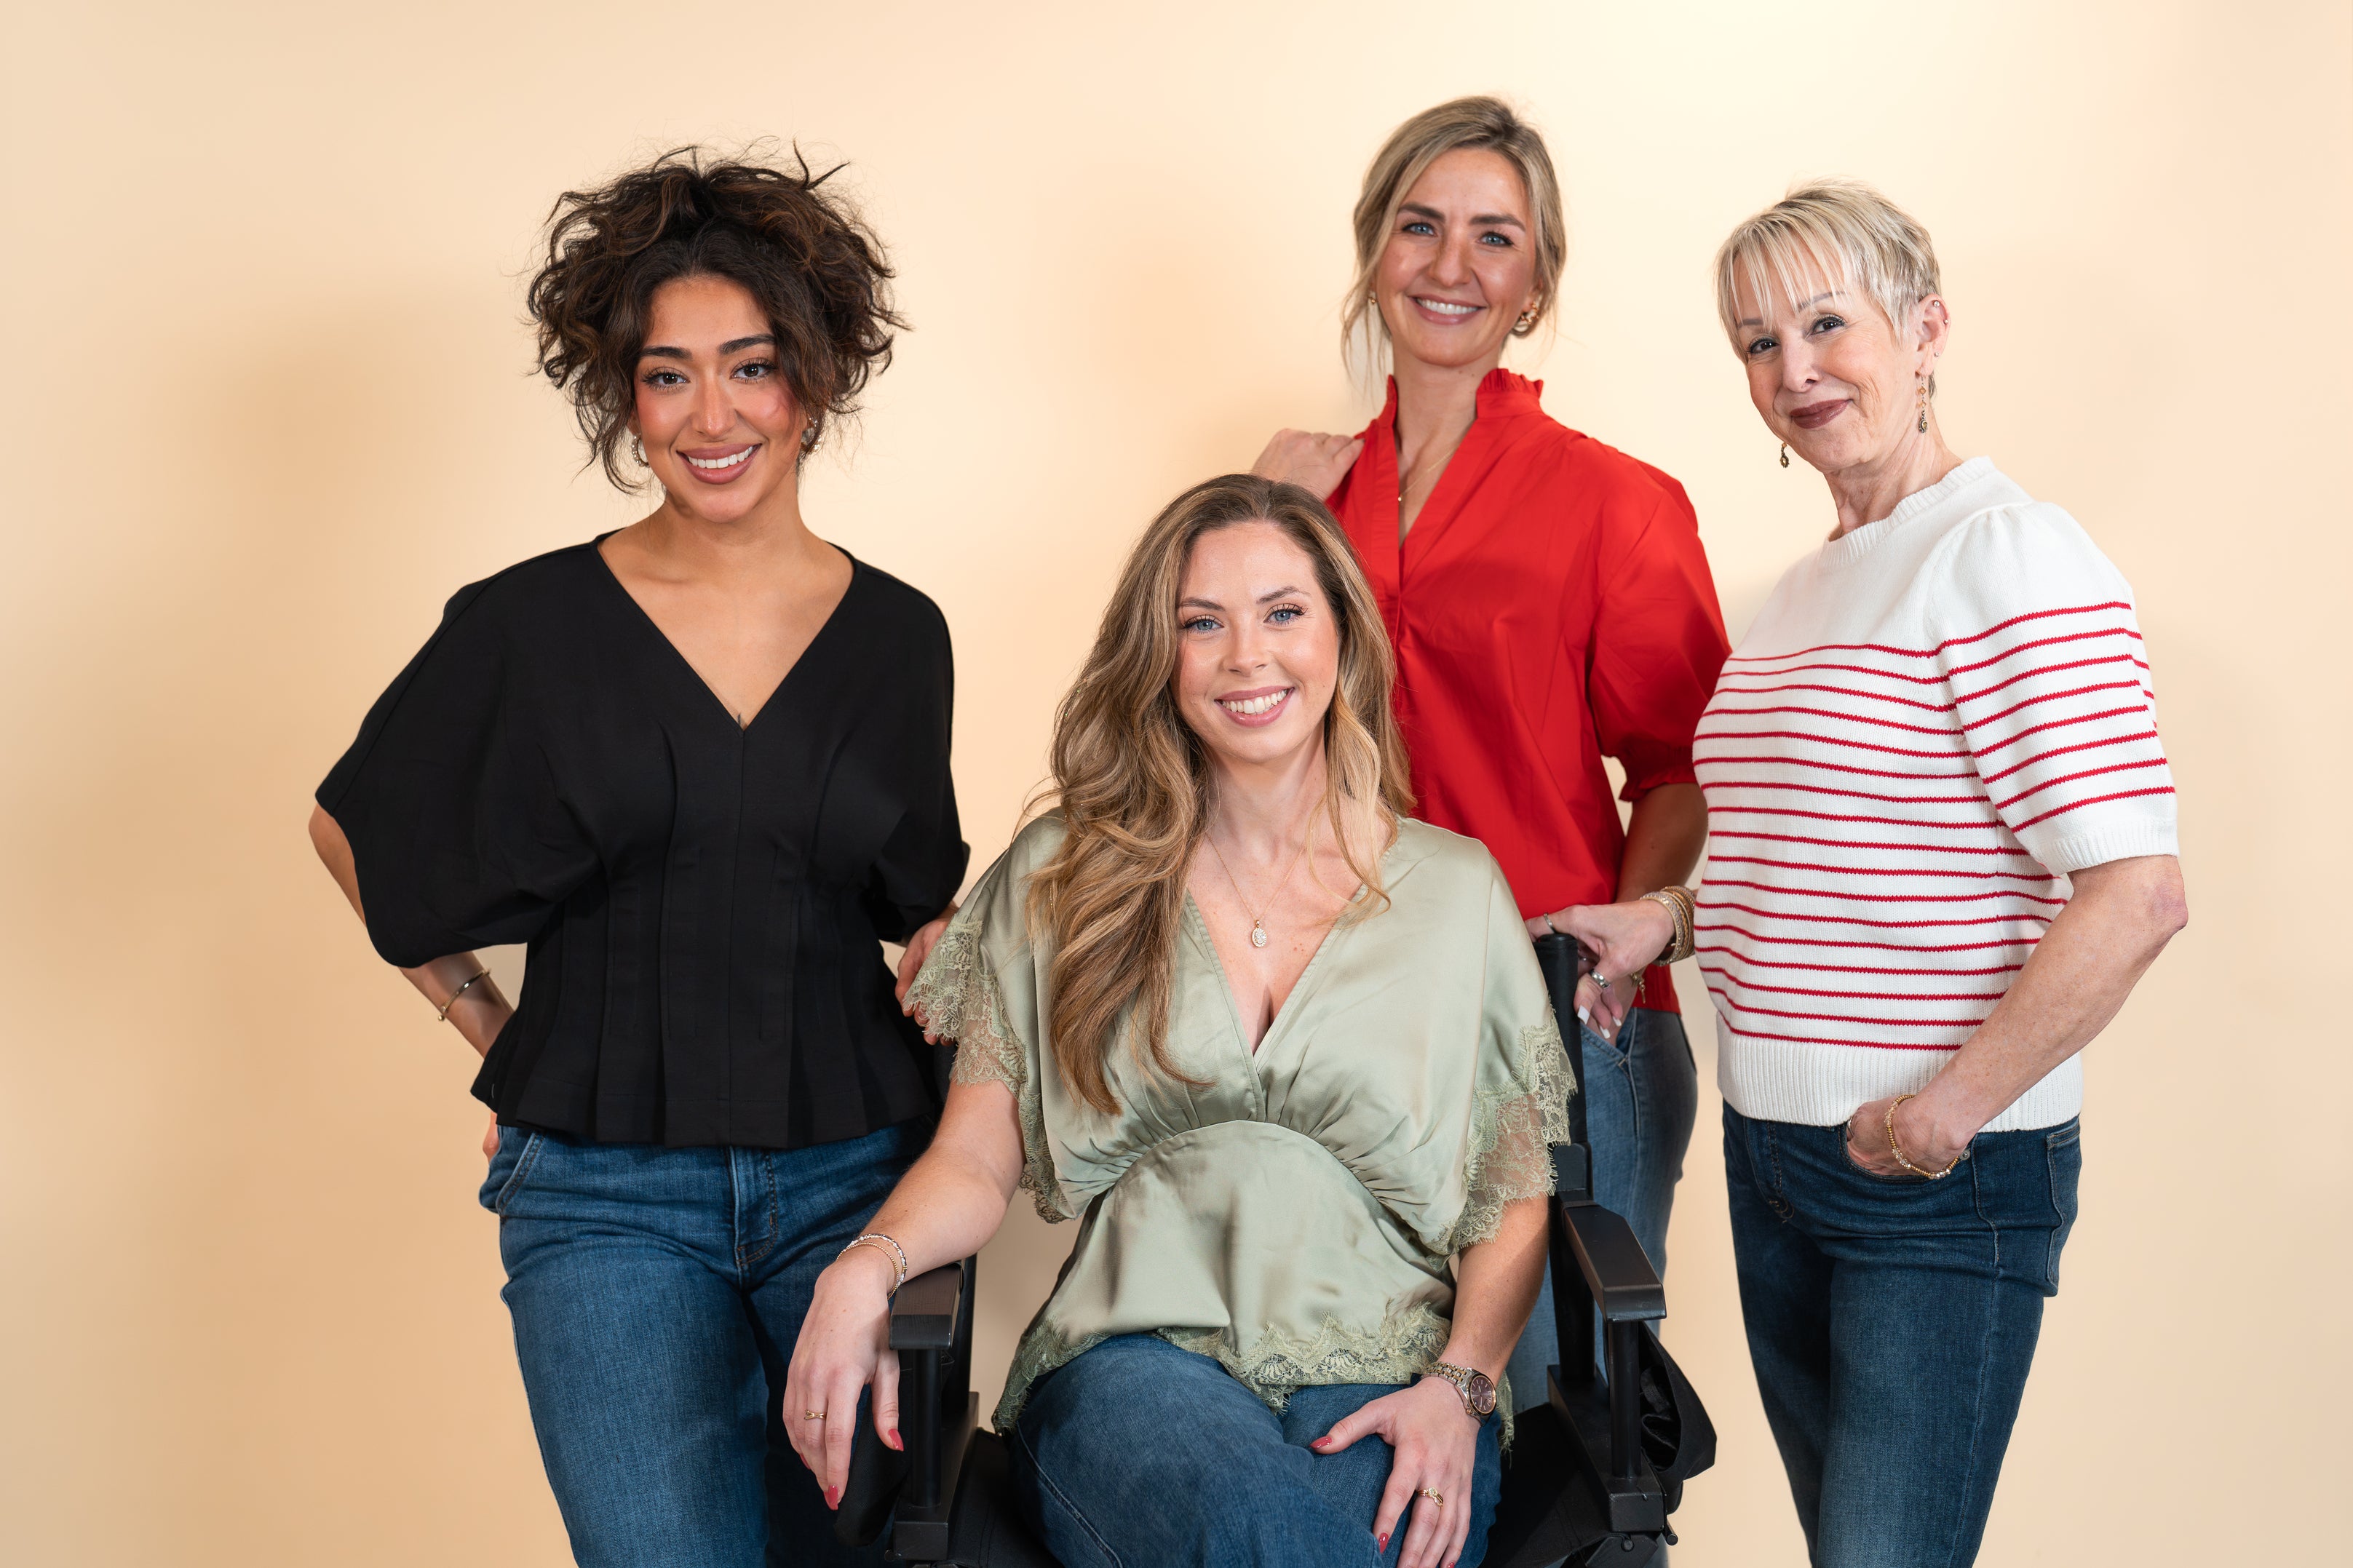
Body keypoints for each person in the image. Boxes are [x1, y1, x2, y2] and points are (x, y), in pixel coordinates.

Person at [307, 148, 966, 1567]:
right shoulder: (525, 625)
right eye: (669, 375)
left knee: (885, 1551)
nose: (711, 415)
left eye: (751, 366)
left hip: (855, 1186)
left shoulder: (903, 637)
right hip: (603, 1195)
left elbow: (929, 920)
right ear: (625, 395)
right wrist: (492, 1028)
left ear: (819, 376)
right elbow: (351, 827)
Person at [1563, 180, 2187, 1567]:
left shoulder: (2007, 554)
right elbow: (1805, 851)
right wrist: (1657, 922)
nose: (1792, 371)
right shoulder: (1804, 588)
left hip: (1928, 1178)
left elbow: (2136, 891)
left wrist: (1942, 1114)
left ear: (1926, 329)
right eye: (1754, 342)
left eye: (1826, 323)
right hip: (1771, 1153)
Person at [785, 476, 1576, 1568]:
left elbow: (1512, 1194)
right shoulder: (1068, 877)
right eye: (1201, 624)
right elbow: (974, 1155)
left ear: (1342, 635)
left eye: (1282, 613)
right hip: (1132, 1359)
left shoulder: (1455, 892)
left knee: (1333, 1539)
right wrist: (862, 1266)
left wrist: (1460, 1385)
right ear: (1158, 658)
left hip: (1391, 1364)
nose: (1247, 656)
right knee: (1253, 1528)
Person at [1251, 96, 1730, 1412]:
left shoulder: (1617, 502)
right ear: (1372, 254)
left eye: (1492, 238)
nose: (1449, 266)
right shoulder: (1303, 498)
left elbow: (1685, 768)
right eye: (1418, 227)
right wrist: (1259, 514)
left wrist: (1625, 934)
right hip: (1341, 1028)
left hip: (1557, 1019)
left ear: (1535, 285)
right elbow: (1215, 724)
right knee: (1365, 1416)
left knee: (1562, 1427)